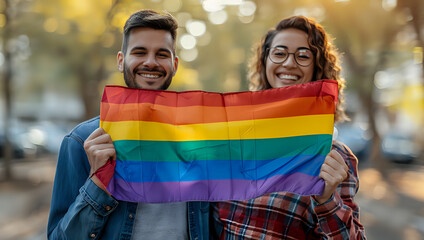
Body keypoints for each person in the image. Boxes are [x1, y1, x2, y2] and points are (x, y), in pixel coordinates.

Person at [48, 10, 210, 240]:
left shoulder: (200, 140)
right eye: (140, 52)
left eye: (161, 54)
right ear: (121, 61)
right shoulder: (81, 142)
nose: (151, 62)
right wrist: (98, 183)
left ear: (174, 64)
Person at [211, 16, 366, 239]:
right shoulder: (234, 143)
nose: (289, 63)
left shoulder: (333, 158)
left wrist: (327, 199)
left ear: (317, 69)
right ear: (265, 63)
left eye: (303, 56)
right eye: (279, 53)